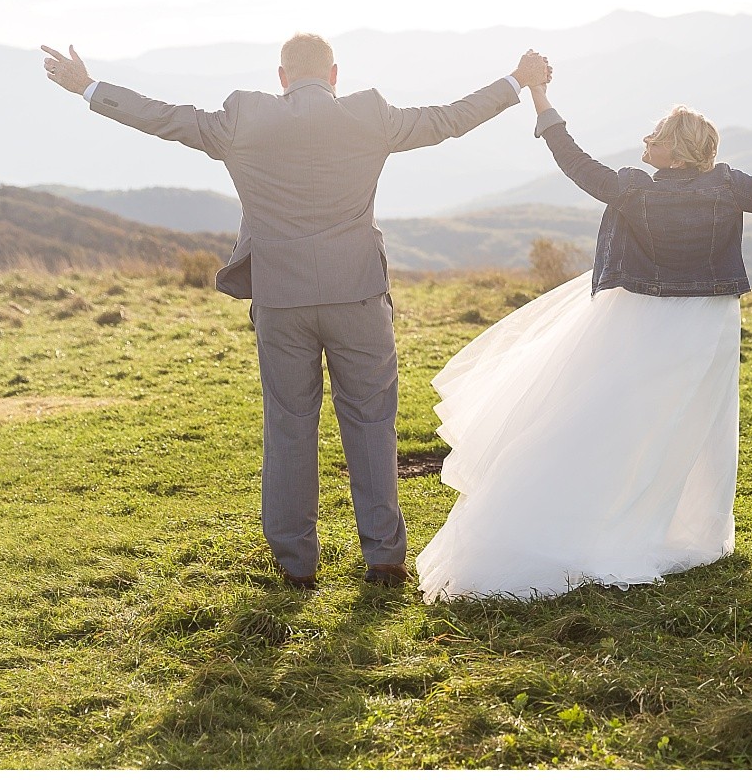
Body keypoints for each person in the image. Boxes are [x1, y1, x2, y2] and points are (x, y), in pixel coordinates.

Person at [41, 36, 551, 590]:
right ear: (334, 74)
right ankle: (383, 557)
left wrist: (88, 87)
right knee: (372, 424)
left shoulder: (243, 118)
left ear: (281, 77)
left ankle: (295, 564)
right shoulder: (370, 115)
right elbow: (449, 119)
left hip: (281, 298)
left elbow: (164, 119)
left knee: (289, 426)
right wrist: (515, 82)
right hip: (356, 293)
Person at [415, 78, 752, 601]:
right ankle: (682, 532)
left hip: (639, 319)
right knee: (693, 425)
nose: (644, 141)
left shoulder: (634, 188)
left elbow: (575, 162)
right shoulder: (728, 185)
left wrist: (541, 101)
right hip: (708, 321)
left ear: (675, 148)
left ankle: (594, 521)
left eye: (654, 135)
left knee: (617, 423)